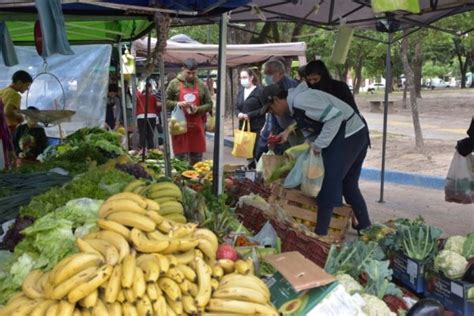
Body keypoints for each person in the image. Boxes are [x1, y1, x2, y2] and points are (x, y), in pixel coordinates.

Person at [260, 83, 371, 236]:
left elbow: (335, 117)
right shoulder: (296, 105)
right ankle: (366, 228)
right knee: (348, 185)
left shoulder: (301, 100)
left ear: (277, 100)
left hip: (350, 134)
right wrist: (296, 138)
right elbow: (313, 124)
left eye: (271, 109)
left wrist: (319, 145)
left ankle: (320, 234)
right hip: (357, 133)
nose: (273, 113)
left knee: (329, 181)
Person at [166, 58, 213, 165]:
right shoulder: (174, 84)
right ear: (183, 69)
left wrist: (198, 109)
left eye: (194, 73)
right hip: (179, 126)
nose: (191, 76)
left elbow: (210, 104)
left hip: (196, 127)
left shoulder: (201, 85)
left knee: (197, 162)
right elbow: (165, 102)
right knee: (180, 161)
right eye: (188, 73)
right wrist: (177, 104)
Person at [258, 59, 301, 157]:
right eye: (264, 74)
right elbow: (273, 113)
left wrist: (288, 130)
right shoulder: (272, 88)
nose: (266, 77)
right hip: (285, 131)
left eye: (269, 73)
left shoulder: (291, 89)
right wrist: (273, 133)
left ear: (280, 73)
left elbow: (301, 117)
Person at [235, 68, 265, 168]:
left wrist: (250, 115)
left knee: (257, 150)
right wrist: (238, 114)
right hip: (244, 127)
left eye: (245, 77)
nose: (242, 80)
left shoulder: (260, 91)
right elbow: (236, 107)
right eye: (241, 78)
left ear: (251, 78)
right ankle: (251, 170)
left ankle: (258, 170)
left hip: (257, 126)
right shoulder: (240, 92)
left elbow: (264, 109)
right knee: (248, 152)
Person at [136, 83, 159, 149]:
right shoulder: (154, 97)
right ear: (150, 88)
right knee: (150, 135)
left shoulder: (139, 97)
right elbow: (157, 107)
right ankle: (151, 150)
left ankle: (142, 150)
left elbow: (136, 106)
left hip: (141, 116)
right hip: (152, 116)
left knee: (142, 134)